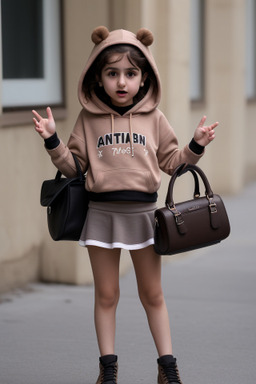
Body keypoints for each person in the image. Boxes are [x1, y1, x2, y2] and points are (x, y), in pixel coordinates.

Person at [32, 26, 218, 384]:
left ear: (143, 76)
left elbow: (173, 163)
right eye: (112, 73)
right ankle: (109, 370)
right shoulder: (88, 120)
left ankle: (167, 369)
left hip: (145, 217)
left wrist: (196, 145)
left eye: (130, 73)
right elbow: (75, 169)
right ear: (98, 78)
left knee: (152, 293)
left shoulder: (155, 117)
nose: (122, 82)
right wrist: (53, 140)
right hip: (101, 215)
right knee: (106, 294)